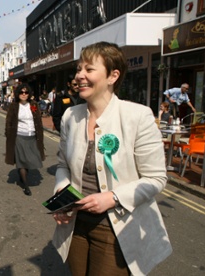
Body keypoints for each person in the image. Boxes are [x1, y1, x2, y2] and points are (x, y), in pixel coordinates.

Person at [52, 41, 172, 275]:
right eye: (78, 69)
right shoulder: (70, 115)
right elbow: (62, 166)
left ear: (112, 76)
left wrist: (113, 197)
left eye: (89, 69)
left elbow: (156, 178)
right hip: (75, 223)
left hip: (116, 227)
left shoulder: (138, 116)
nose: (80, 76)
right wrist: (61, 194)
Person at [5, 83, 45, 196]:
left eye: (26, 92)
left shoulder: (33, 105)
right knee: (22, 161)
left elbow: (38, 120)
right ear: (18, 93)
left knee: (31, 160)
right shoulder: (14, 106)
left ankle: (22, 176)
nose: (24, 94)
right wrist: (9, 136)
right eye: (21, 92)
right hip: (19, 137)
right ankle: (26, 186)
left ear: (29, 94)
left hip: (32, 136)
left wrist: (40, 134)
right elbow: (9, 122)